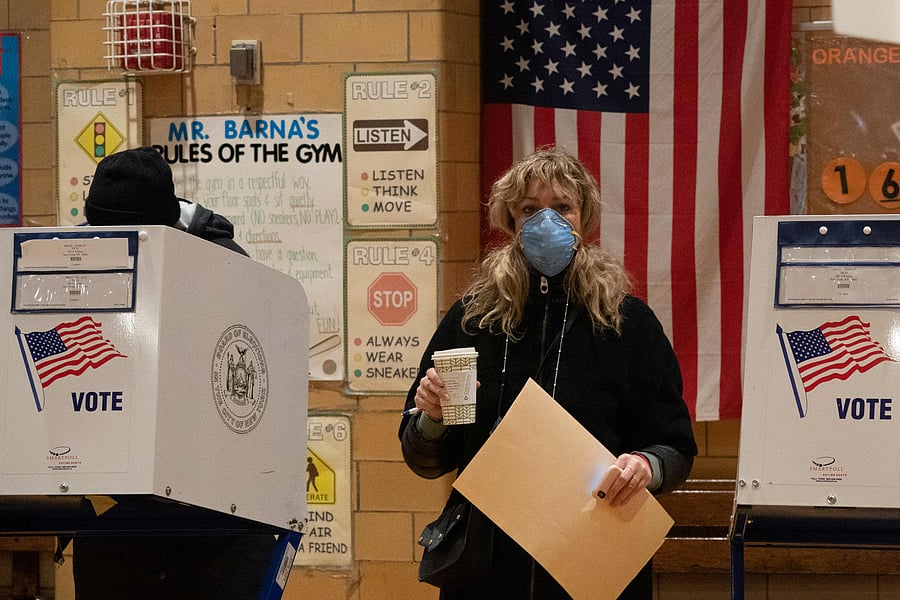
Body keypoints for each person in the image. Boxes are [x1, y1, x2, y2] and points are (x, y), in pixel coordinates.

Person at [399, 147, 698, 599]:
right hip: (486, 568)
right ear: (511, 221)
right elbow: (424, 460)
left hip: (592, 559)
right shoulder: (472, 319)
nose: (547, 221)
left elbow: (675, 448)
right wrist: (432, 419)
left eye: (562, 207)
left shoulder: (627, 323)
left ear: (584, 218)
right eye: (529, 209)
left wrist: (644, 466)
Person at [68, 146, 273, 599]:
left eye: (124, 237)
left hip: (214, 516)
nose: (108, 246)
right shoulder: (77, 258)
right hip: (114, 515)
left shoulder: (225, 267)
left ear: (158, 231)